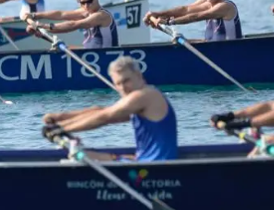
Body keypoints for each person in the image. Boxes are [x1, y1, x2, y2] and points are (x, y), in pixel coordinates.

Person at [42, 55, 178, 161]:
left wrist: (62, 129)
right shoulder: (140, 101)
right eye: (118, 84)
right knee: (83, 154)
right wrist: (61, 118)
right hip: (144, 161)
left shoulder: (145, 95)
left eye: (126, 80)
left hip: (153, 167)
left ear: (139, 75)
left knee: (79, 156)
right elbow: (101, 111)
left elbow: (105, 117)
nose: (123, 88)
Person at [24, 0, 118, 49]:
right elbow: (61, 14)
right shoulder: (84, 12)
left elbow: (73, 25)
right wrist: (34, 15)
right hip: (91, 53)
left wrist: (40, 25)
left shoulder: (101, 15)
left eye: (89, 1)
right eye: (82, 2)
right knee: (60, 50)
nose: (86, 5)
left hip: (106, 58)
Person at [148, 0, 242, 41]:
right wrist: (158, 14)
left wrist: (168, 22)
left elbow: (196, 17)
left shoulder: (225, 6)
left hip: (230, 51)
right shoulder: (209, 4)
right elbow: (186, 10)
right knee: (181, 41)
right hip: (214, 50)